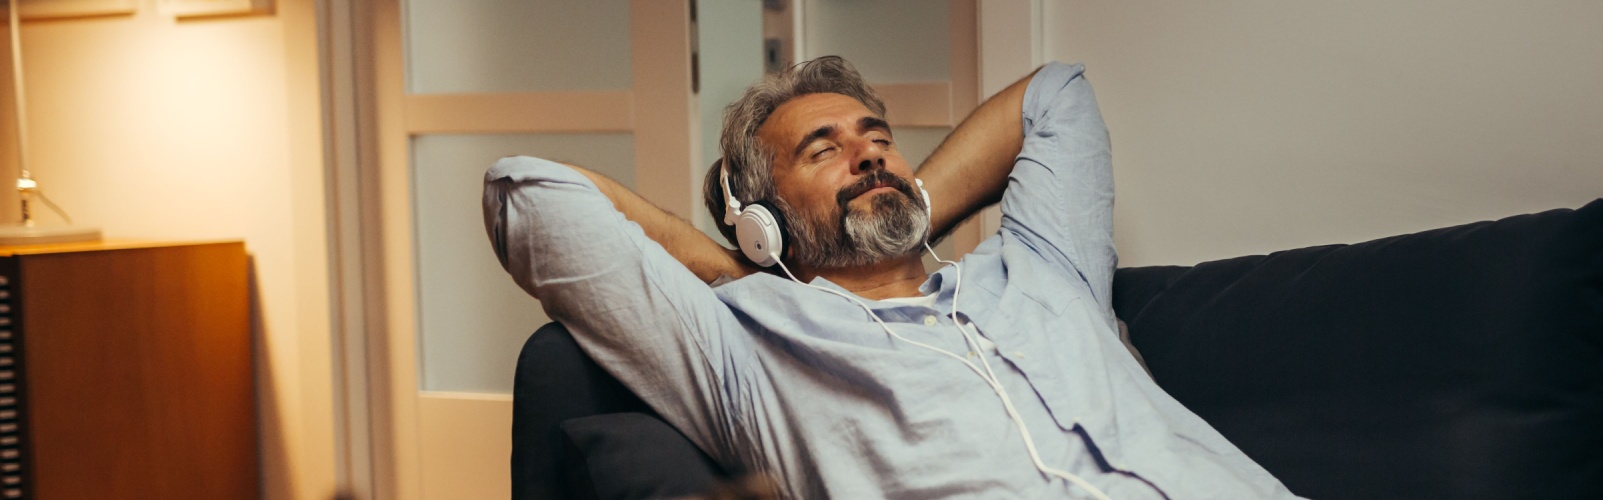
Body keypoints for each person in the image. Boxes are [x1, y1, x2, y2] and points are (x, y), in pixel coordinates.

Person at [483, 56, 1298, 499]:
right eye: (823, 149)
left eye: (877, 139)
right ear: (761, 219)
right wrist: (743, 268)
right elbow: (525, 194)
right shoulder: (749, 351)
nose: (869, 150)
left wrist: (895, 208)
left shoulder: (1043, 270)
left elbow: (1056, 96)